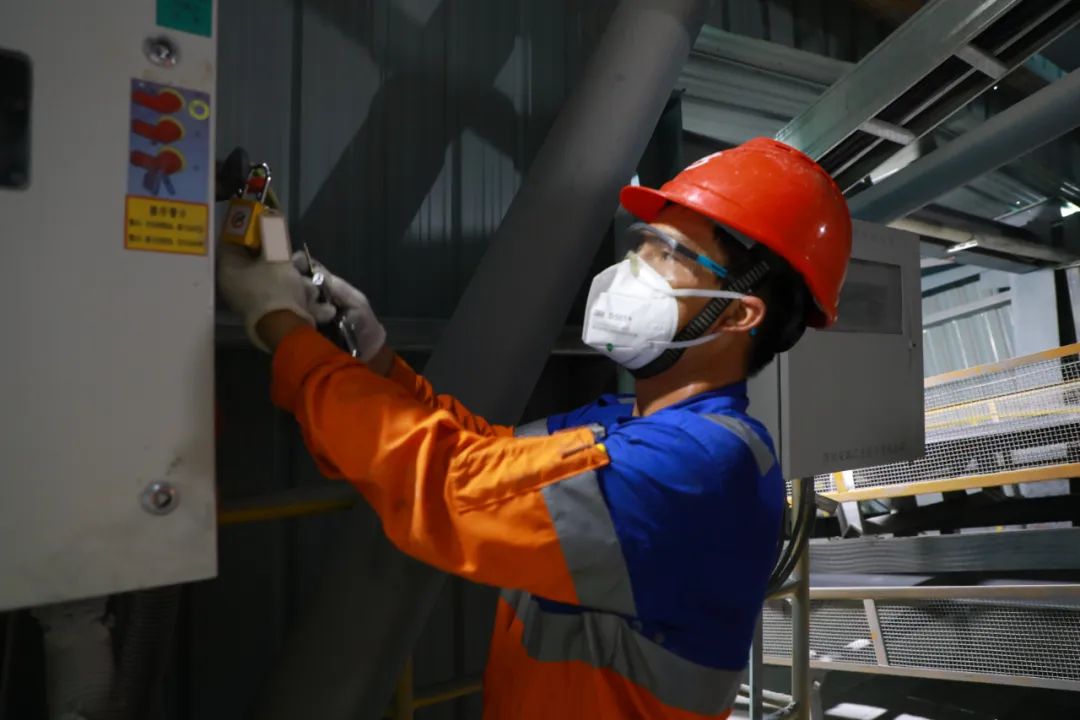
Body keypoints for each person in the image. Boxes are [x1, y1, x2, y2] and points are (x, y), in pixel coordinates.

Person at [218, 137, 851, 719]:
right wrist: (375, 354)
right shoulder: (624, 422)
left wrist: (280, 326)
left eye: (667, 255)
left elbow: (452, 489)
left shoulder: (702, 467)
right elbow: (483, 453)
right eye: (640, 245)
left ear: (738, 315)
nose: (633, 268)